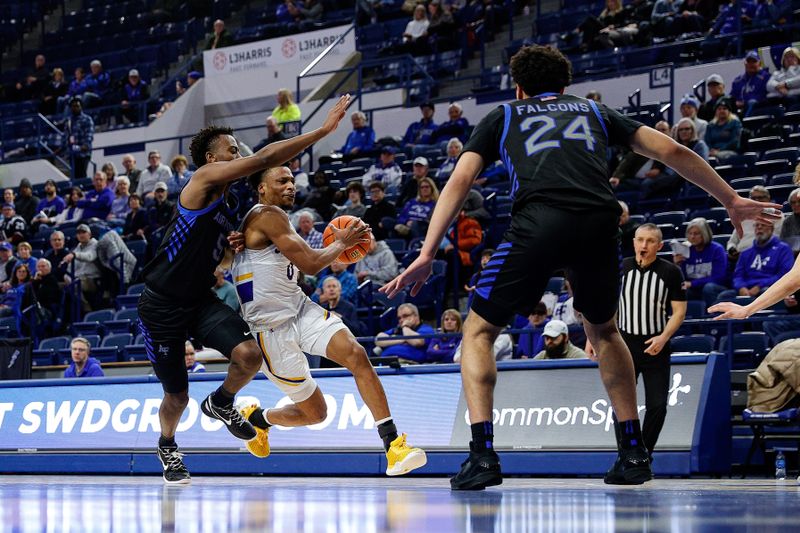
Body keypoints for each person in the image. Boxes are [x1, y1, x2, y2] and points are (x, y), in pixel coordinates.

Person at [380, 44, 780, 490]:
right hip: (599, 223)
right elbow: (670, 150)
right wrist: (730, 199)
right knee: (604, 331)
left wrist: (427, 253)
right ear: (564, 85)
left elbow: (459, 180)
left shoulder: (505, 114)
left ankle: (483, 455)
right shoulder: (594, 111)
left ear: (519, 86)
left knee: (478, 331)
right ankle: (632, 454)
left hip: (539, 222)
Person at [136, 94, 351, 484]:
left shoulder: (228, 202)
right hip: (161, 306)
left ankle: (221, 401)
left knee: (249, 354)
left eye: (238, 150)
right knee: (177, 397)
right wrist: (321, 131)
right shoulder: (200, 181)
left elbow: (214, 258)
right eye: (231, 151)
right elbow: (265, 158)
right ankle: (167, 444)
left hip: (199, 299)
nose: (238, 154)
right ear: (212, 160)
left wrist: (228, 253)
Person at [230, 165, 426, 475]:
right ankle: (259, 419)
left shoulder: (278, 222)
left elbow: (307, 259)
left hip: (300, 308)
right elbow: (309, 262)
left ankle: (393, 447)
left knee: (356, 355)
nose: (290, 186)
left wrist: (337, 248)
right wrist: (341, 243)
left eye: (293, 180)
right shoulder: (265, 214)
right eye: (281, 181)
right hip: (269, 331)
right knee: (315, 413)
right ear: (262, 189)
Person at [610, 223, 687, 460]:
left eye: (650, 241)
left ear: (659, 245)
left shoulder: (671, 272)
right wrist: (598, 338)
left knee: (657, 405)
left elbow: (679, 312)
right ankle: (626, 453)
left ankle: (644, 452)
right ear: (633, 241)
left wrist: (663, 338)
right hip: (623, 345)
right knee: (619, 406)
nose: (644, 246)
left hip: (656, 346)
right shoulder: (621, 268)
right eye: (640, 240)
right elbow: (609, 305)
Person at [718, 220, 794, 301]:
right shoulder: (745, 253)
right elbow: (738, 276)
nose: (759, 228)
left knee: (766, 293)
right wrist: (741, 287)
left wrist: (760, 286)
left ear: (771, 229)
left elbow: (784, 275)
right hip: (746, 289)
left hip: (769, 287)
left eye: (763, 225)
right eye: (757, 225)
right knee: (724, 296)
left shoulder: (783, 249)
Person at [674, 218, 728, 306]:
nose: (692, 237)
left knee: (708, 288)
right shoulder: (686, 251)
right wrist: (677, 265)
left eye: (696, 234)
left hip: (716, 287)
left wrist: (692, 284)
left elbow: (718, 278)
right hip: (694, 289)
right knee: (679, 289)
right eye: (690, 233)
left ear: (704, 234)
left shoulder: (717, 249)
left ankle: (713, 316)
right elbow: (683, 279)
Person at [727, 186, 783, 257]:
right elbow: (732, 242)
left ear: (768, 198)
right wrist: (732, 249)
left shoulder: (776, 214)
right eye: (753, 198)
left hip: (764, 254)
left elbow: (776, 238)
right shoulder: (744, 215)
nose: (756, 200)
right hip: (740, 256)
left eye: (760, 197)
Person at [62, 224, 102, 312]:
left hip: (92, 279)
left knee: (75, 285)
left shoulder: (95, 244)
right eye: (79, 233)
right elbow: (70, 268)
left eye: (83, 232)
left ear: (89, 234)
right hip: (78, 278)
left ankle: (86, 307)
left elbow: (90, 256)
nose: (81, 235)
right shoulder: (78, 248)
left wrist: (75, 255)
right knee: (59, 286)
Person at [730, 50, 770, 116]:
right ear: (745, 64)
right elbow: (732, 97)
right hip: (737, 110)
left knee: (752, 102)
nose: (751, 64)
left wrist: (745, 103)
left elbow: (762, 97)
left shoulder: (765, 77)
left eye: (754, 61)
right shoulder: (737, 81)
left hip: (757, 109)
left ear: (759, 63)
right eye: (749, 62)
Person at [65, 98, 94, 178]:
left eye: (77, 106)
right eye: (73, 106)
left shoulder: (87, 119)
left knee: (82, 174)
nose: (75, 108)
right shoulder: (69, 121)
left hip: (83, 153)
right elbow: (67, 136)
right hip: (72, 153)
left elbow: (89, 134)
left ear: (81, 107)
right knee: (74, 176)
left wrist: (85, 145)